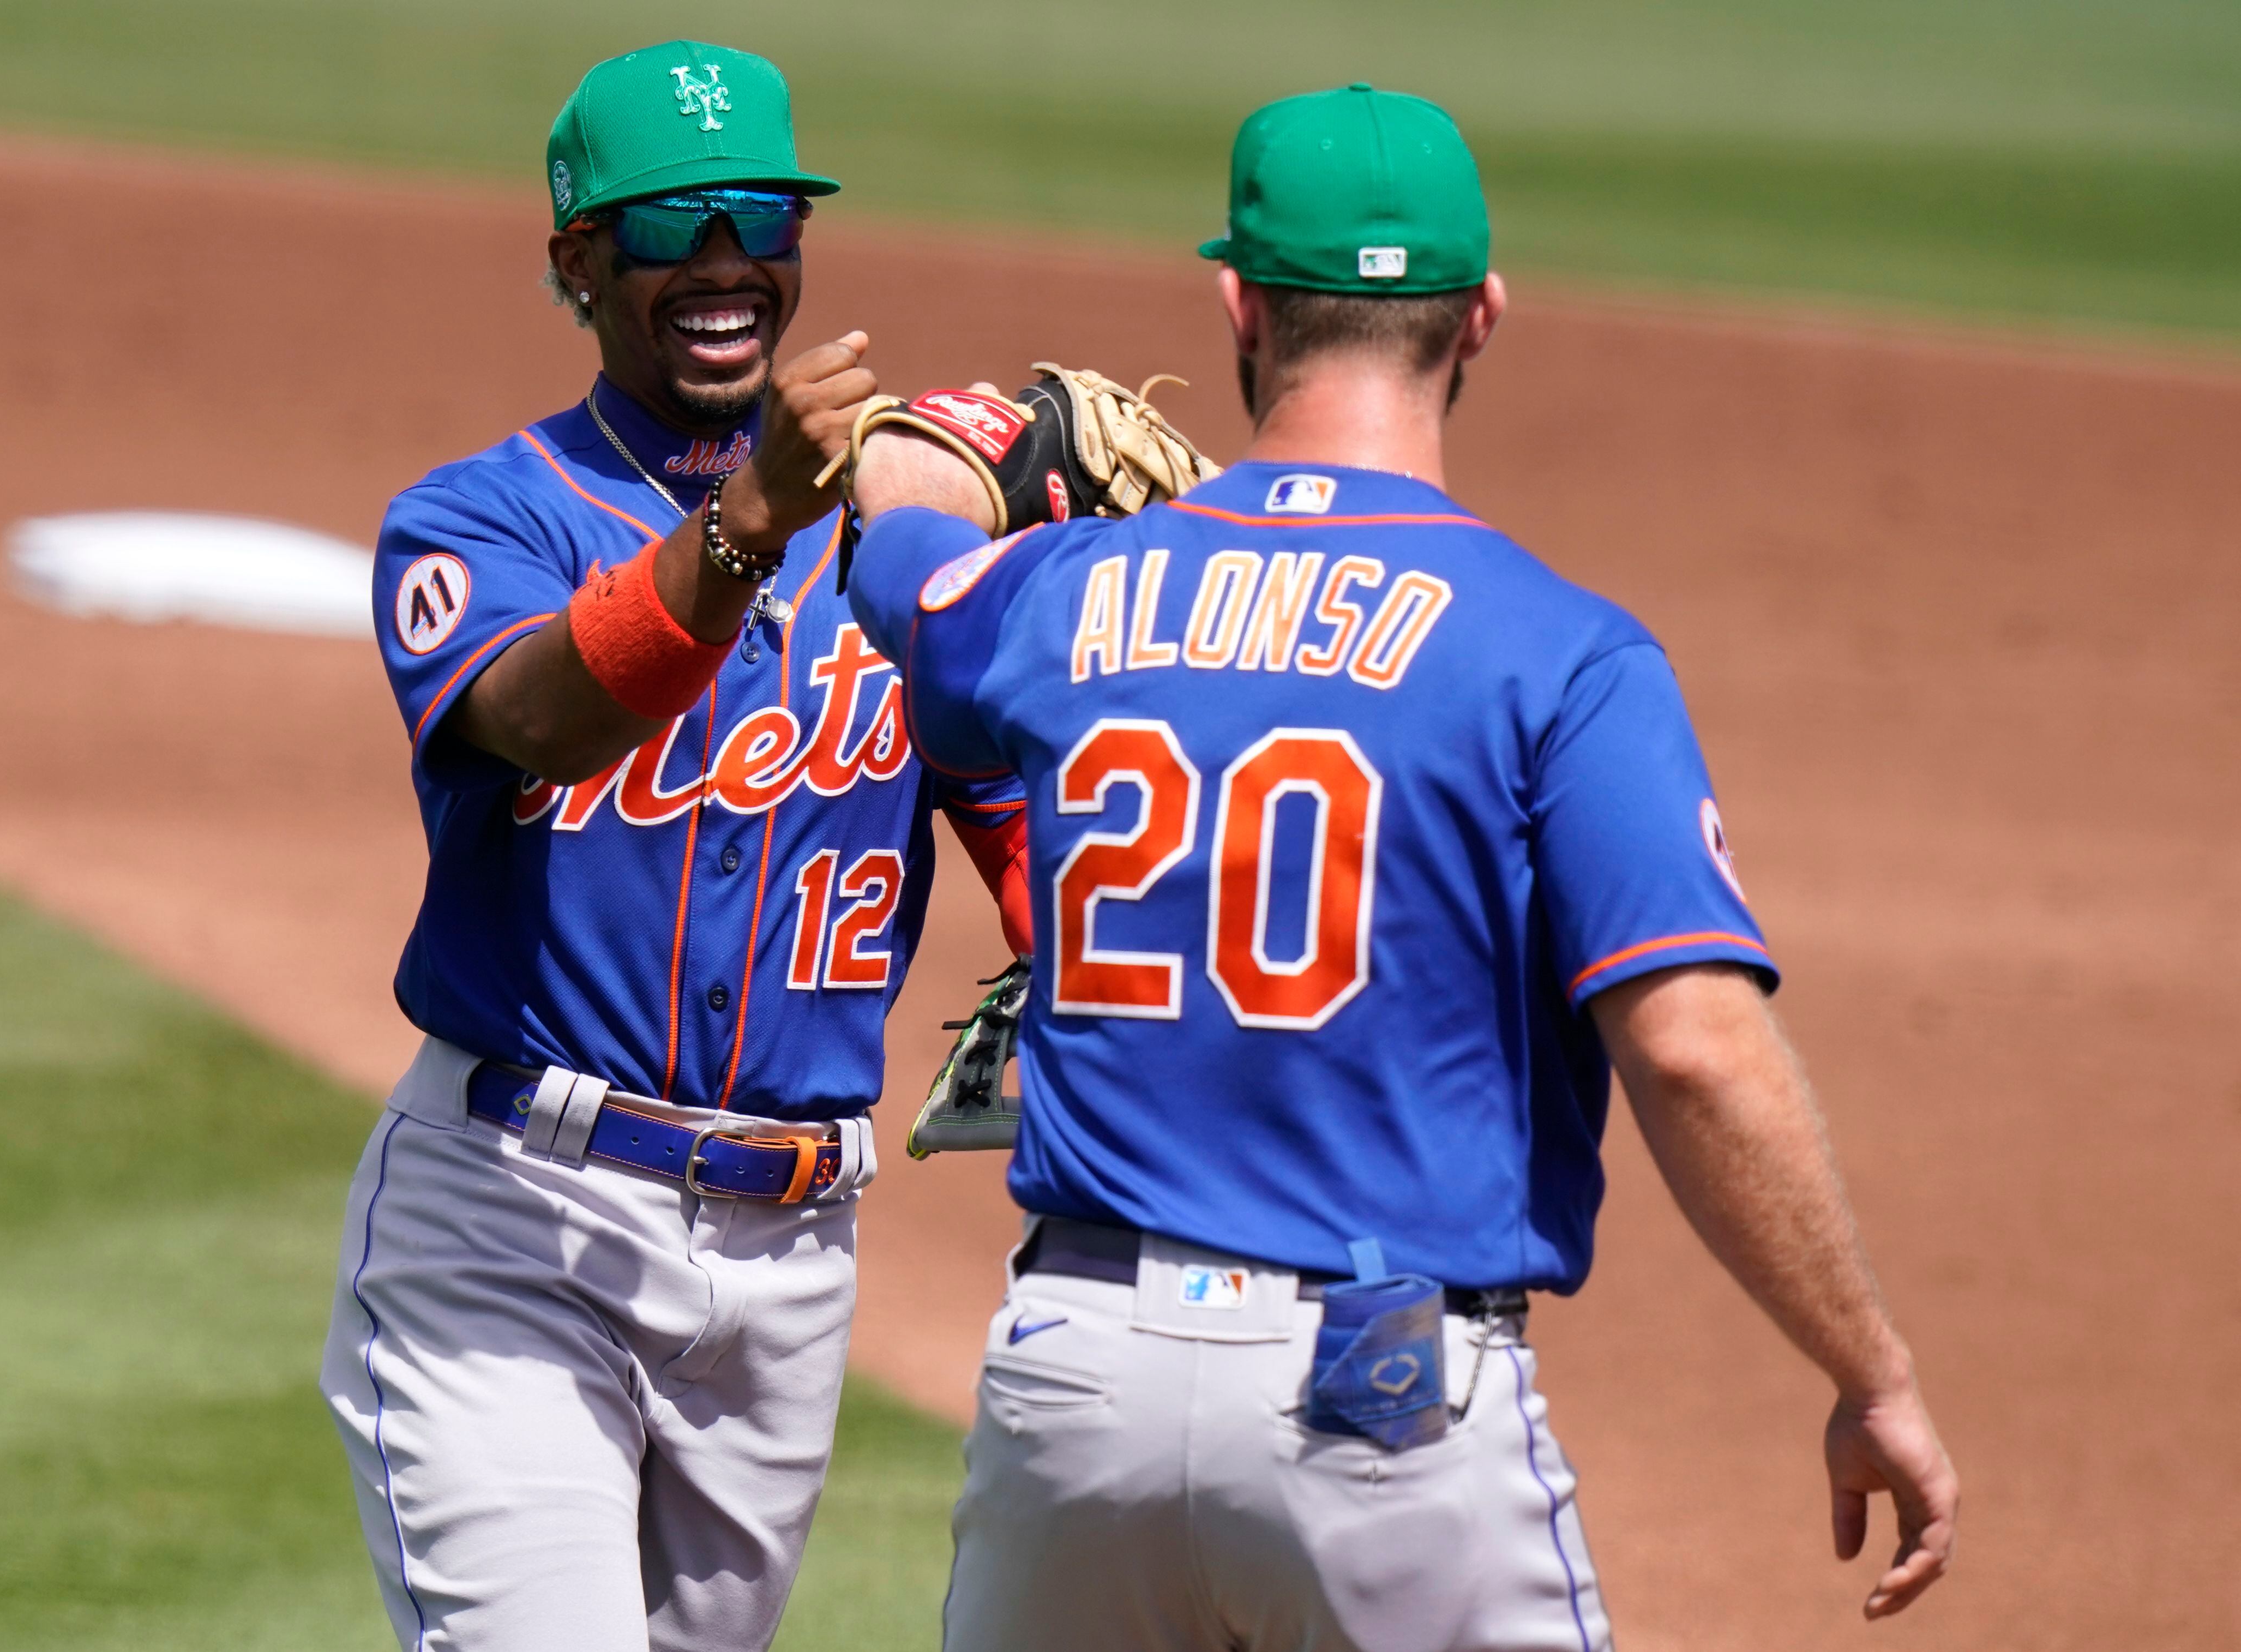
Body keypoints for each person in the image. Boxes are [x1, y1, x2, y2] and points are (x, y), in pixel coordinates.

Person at [840, 83, 1957, 1652]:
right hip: (1373, 1405)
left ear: (1236, 302)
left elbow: (905, 564)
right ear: (1483, 315)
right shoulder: (1560, 654)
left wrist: (934, 452)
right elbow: (1696, 1049)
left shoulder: (1058, 596)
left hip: (1073, 1392)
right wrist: (1871, 1374)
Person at [317, 40, 1029, 1652]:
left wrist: (1112, 613)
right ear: (580, 263)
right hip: (515, 1231)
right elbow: (543, 717)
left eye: (759, 220)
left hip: (792, 1275)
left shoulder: (908, 538)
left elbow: (1035, 836)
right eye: (670, 228)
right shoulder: (481, 521)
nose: (723, 268)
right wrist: (748, 523)